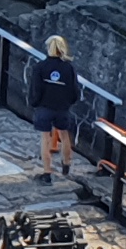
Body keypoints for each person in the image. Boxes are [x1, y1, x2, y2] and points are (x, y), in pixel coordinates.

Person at [31, 36, 84, 173]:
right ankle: (66, 165)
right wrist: (68, 102)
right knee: (64, 135)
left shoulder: (40, 67)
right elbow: (74, 89)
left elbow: (36, 89)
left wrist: (35, 103)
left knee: (45, 138)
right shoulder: (68, 68)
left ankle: (47, 172)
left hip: (44, 107)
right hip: (62, 108)